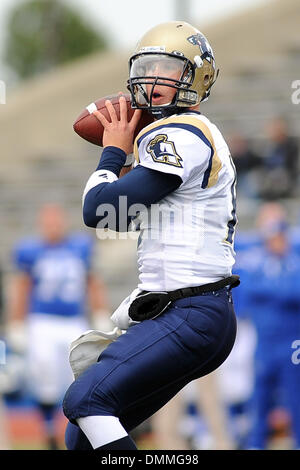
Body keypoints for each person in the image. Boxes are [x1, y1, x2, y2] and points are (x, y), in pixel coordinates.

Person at [63, 21, 239, 451]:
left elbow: (101, 210)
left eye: (168, 68)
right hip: (174, 311)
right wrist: (125, 157)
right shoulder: (167, 136)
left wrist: (112, 152)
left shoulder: (182, 131)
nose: (152, 77)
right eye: (146, 65)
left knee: (86, 400)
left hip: (192, 311)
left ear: (196, 79)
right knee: (82, 436)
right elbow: (119, 211)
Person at [6, 204, 109, 449]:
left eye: (56, 221)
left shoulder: (79, 247)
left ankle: (83, 427)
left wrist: (100, 312)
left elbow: (92, 282)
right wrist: (16, 322)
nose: (53, 226)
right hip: (42, 321)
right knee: (45, 372)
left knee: (81, 375)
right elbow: (23, 287)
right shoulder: (31, 250)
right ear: (42, 225)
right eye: (48, 221)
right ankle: (48, 427)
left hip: (74, 320)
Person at [240, 203, 300, 449]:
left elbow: (294, 291)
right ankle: (256, 444)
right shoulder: (258, 262)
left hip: (292, 342)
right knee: (259, 399)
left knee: (296, 397)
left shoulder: (293, 260)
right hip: (264, 342)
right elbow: (246, 289)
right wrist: (275, 291)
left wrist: (268, 291)